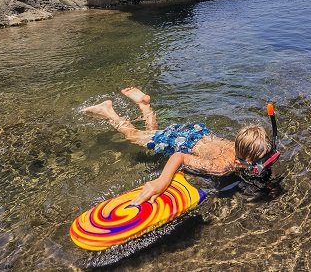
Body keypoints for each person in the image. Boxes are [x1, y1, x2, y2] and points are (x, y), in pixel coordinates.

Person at [83, 87, 274, 205]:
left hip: (199, 133)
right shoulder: (221, 167)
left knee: (153, 137)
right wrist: (162, 181)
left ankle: (144, 106)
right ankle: (108, 112)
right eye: (262, 158)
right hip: (182, 144)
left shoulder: (242, 144)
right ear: (247, 158)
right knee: (134, 137)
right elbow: (179, 157)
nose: (266, 159)